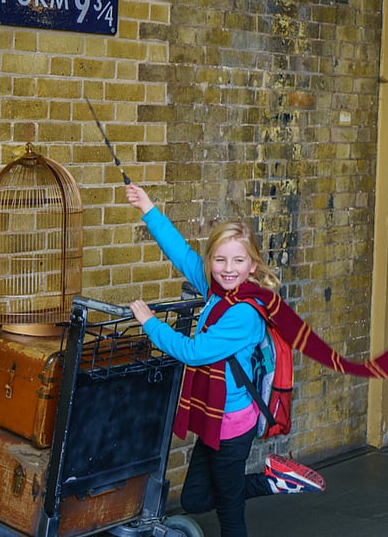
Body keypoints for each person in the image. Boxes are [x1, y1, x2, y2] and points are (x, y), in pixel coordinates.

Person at [124, 182, 325, 537]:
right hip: (212, 415)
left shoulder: (243, 313)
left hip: (232, 423)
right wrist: (147, 207)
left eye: (238, 260)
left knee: (231, 517)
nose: (227, 269)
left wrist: (150, 324)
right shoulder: (217, 291)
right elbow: (181, 253)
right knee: (196, 499)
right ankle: (273, 480)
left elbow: (193, 352)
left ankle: (269, 482)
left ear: (252, 265)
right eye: (220, 260)